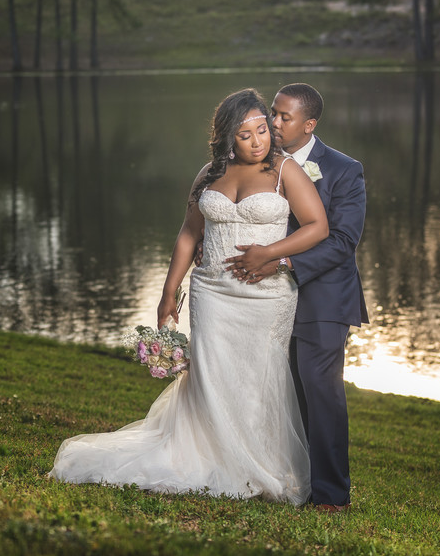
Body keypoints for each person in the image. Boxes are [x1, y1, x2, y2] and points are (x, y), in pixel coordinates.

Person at [49, 88, 329, 505]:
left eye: (261, 130)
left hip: (266, 295)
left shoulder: (285, 169)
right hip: (212, 291)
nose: (258, 141)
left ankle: (257, 462)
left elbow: (317, 226)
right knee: (211, 376)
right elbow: (189, 234)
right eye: (245, 135)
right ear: (226, 138)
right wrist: (168, 292)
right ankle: (206, 456)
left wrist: (270, 253)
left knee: (258, 377)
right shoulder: (209, 174)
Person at [224, 83, 367, 512]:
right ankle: (290, 481)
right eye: (273, 113)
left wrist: (283, 263)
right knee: (282, 392)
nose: (274, 123)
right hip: (266, 299)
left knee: (320, 390)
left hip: (323, 299)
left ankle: (331, 495)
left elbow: (343, 240)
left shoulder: (343, 169)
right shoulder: (256, 160)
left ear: (310, 124)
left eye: (285, 117)